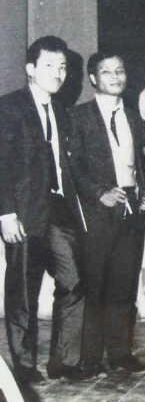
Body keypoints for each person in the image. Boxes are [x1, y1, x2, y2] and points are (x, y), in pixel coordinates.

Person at [0, 36, 85, 383]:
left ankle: (63, 361)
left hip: (59, 211)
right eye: (49, 65)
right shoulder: (9, 107)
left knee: (74, 281)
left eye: (62, 66)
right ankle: (23, 367)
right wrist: (6, 213)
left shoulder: (62, 112)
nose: (58, 73)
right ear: (30, 69)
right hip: (22, 213)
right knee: (23, 290)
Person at [68, 51, 145, 378]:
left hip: (131, 208)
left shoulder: (133, 117)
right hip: (97, 210)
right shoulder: (78, 117)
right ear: (93, 78)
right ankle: (89, 359)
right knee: (95, 284)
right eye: (107, 72)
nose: (115, 77)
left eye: (120, 71)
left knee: (124, 284)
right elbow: (72, 165)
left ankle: (120, 354)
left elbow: (143, 164)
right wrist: (98, 193)